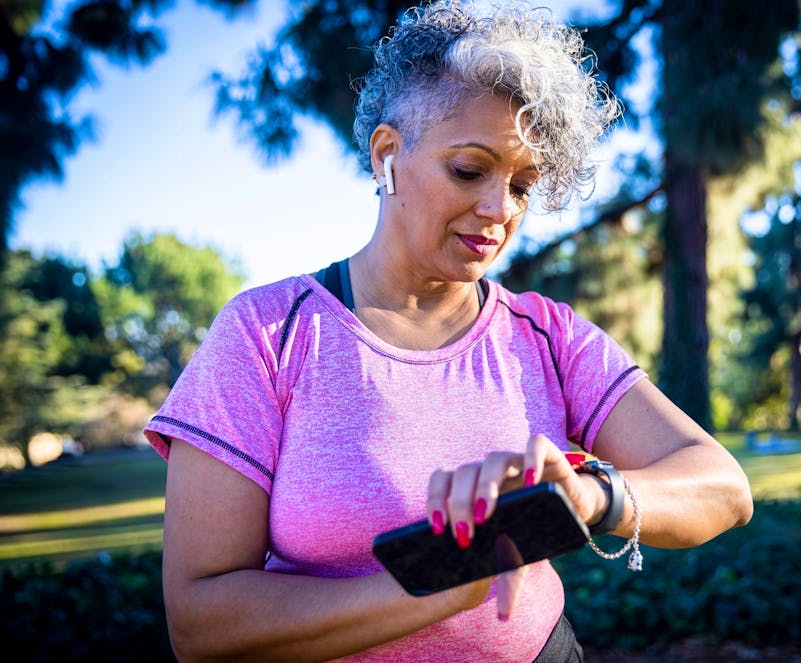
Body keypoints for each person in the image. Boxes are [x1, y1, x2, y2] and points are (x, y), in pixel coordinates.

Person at [144, 2, 753, 661]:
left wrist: (589, 493)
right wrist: (436, 586)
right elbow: (201, 623)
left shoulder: (546, 336)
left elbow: (722, 487)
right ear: (387, 156)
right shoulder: (267, 334)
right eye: (469, 170)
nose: (499, 210)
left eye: (522, 184)